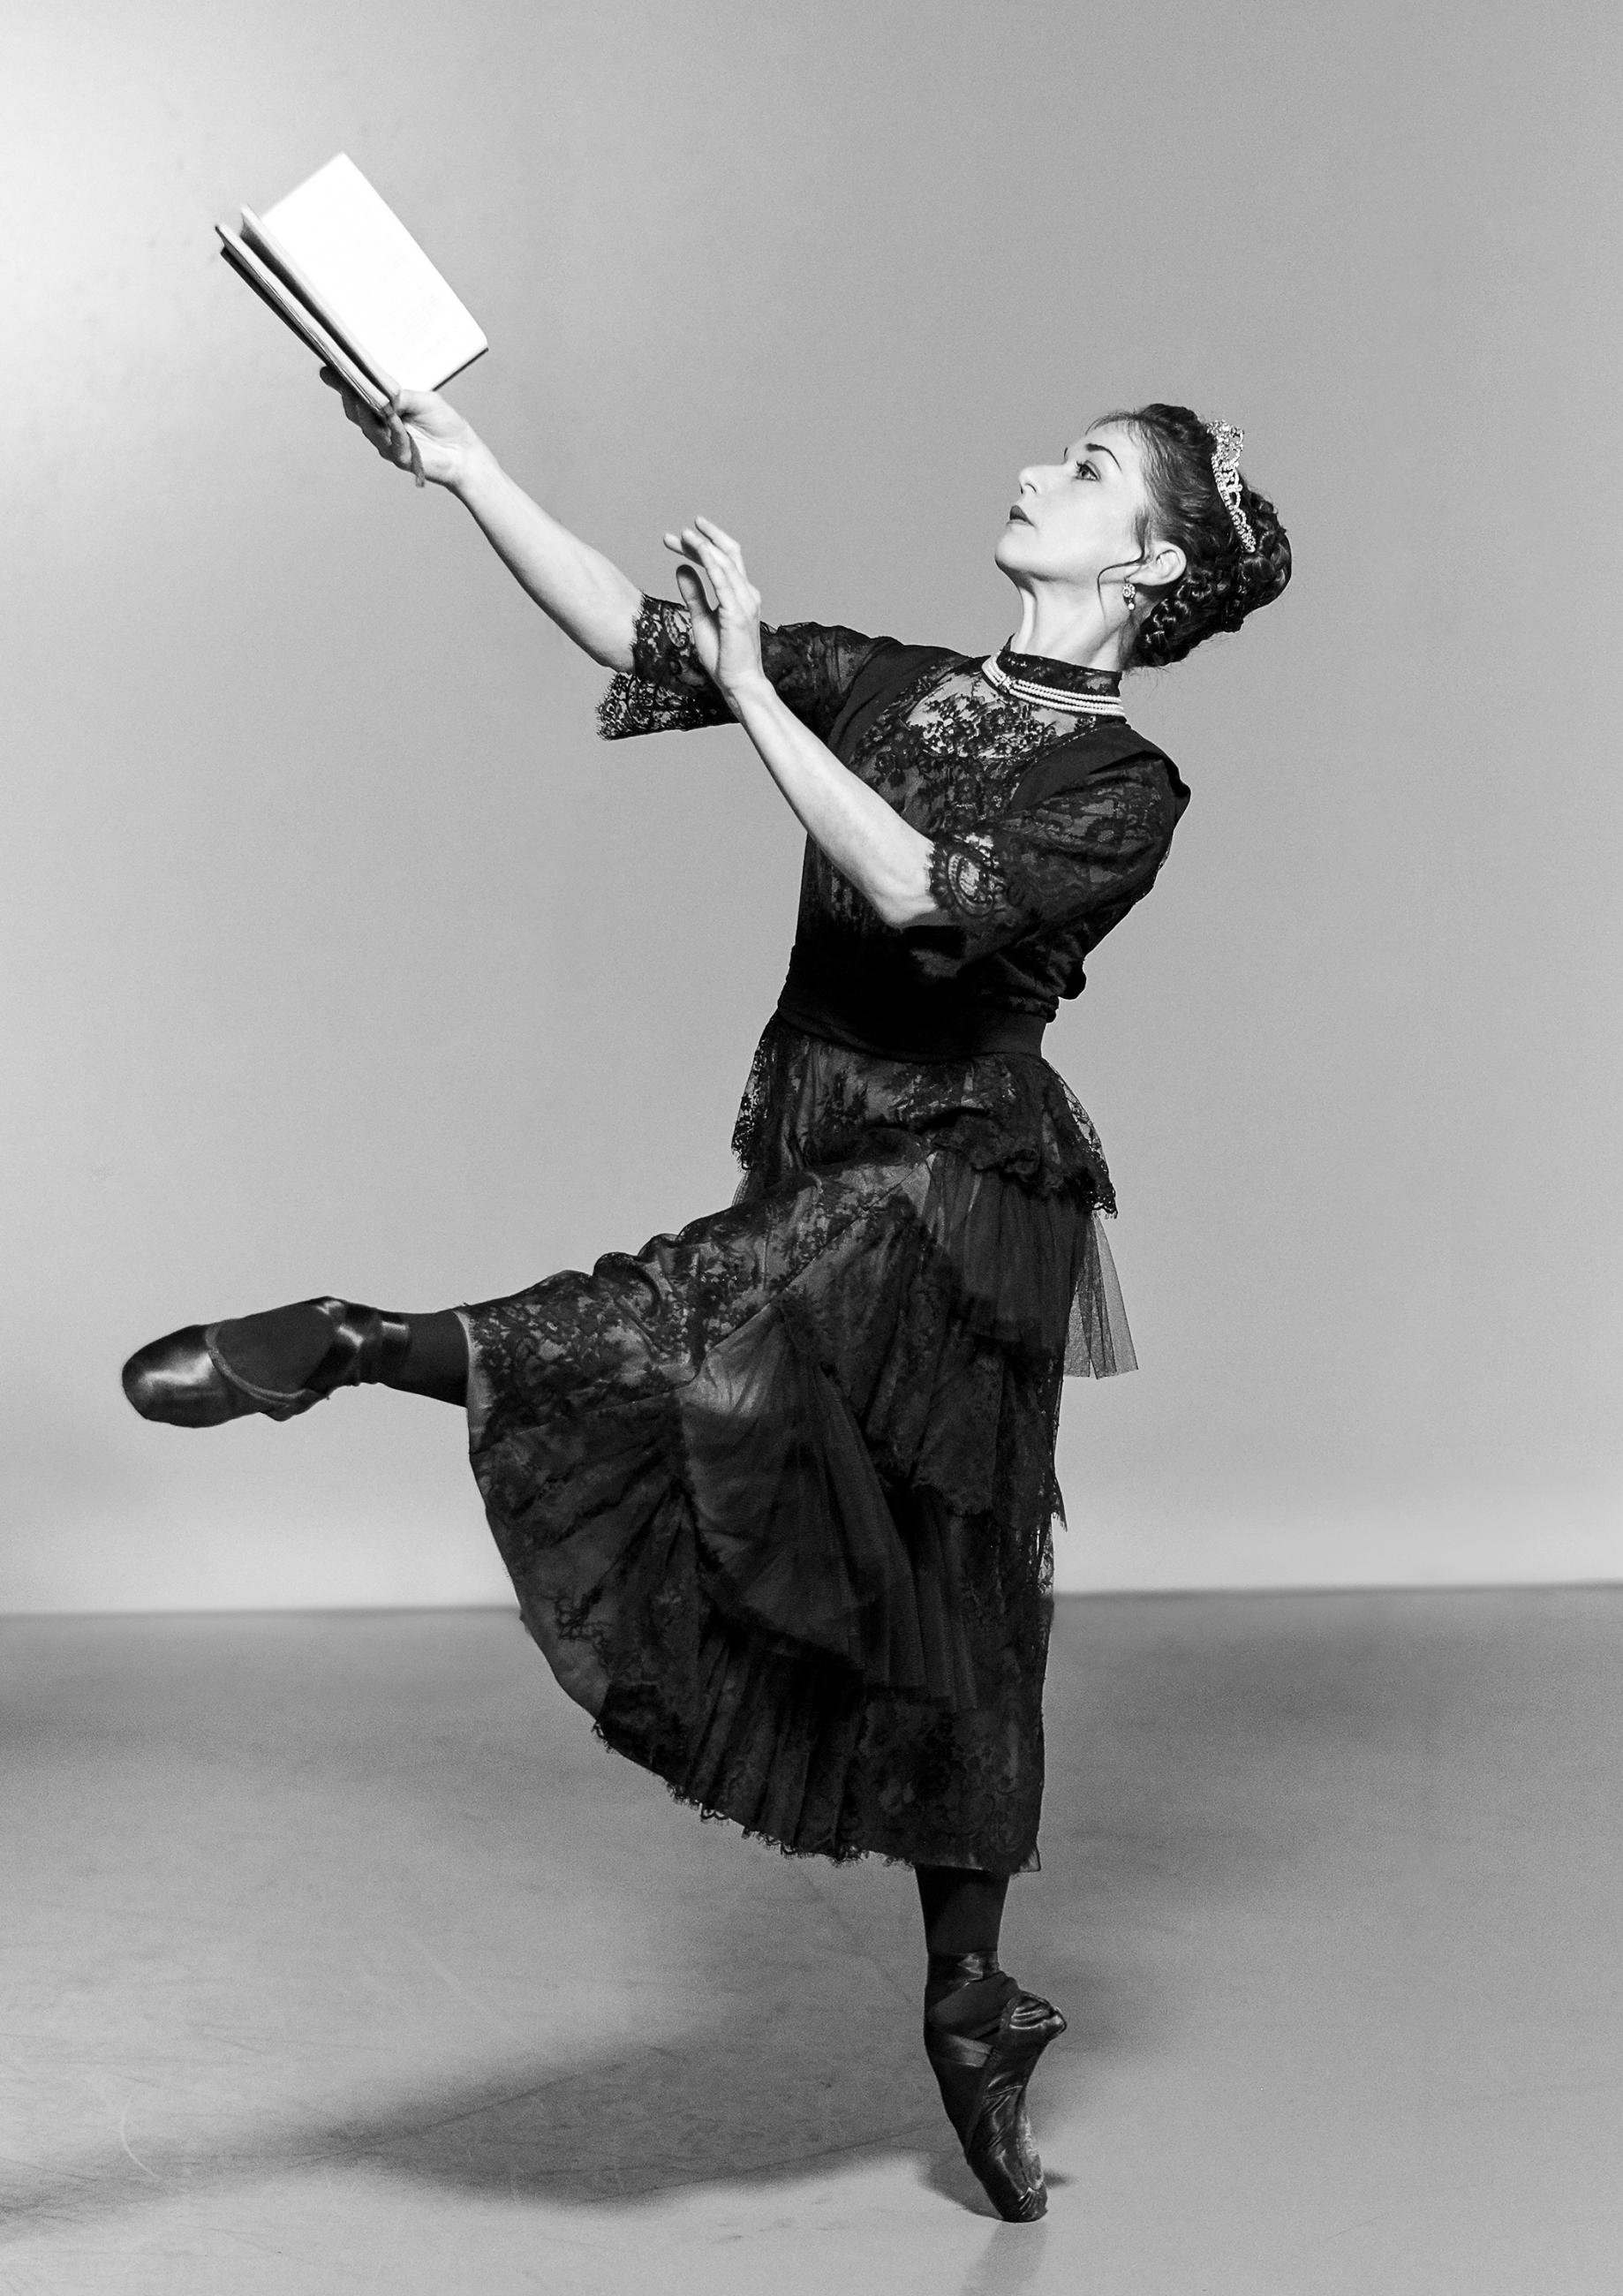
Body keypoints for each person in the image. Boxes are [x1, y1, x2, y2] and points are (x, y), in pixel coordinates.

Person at [124, 379, 1290, 2221]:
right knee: (876, 1541)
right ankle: (974, 2002)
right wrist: (468, 470)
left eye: (1077, 470)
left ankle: (354, 1340)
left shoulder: (1120, 787)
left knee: (914, 1533)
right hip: (820, 1120)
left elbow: (919, 893)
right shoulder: (895, 679)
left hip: (956, 1185)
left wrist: (756, 688)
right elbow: (628, 629)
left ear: (1144, 561)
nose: (1024, 465)